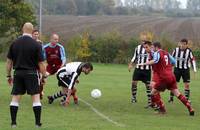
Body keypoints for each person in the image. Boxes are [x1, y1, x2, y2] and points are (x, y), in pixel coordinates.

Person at [6, 22, 47, 128]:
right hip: (32, 74)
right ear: (32, 30)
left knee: (15, 99)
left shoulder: (14, 43)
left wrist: (8, 76)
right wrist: (44, 75)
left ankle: (13, 123)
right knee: (36, 99)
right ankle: (37, 123)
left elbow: (9, 62)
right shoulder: (36, 44)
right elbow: (41, 63)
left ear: (22, 29)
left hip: (18, 73)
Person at [137, 41, 194, 116]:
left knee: (153, 93)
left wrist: (143, 64)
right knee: (177, 93)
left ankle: (162, 109)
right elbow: (174, 62)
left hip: (164, 77)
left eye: (153, 47)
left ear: (156, 47)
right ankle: (190, 108)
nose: (152, 49)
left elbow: (155, 60)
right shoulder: (166, 53)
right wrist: (168, 68)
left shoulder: (157, 53)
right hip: (171, 76)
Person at [168, 39, 197, 103]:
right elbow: (171, 59)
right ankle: (171, 98)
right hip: (177, 69)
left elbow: (192, 60)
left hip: (185, 70)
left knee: (187, 85)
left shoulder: (189, 51)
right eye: (181, 44)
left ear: (186, 45)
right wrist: (169, 67)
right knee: (173, 84)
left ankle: (186, 99)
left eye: (184, 44)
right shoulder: (176, 50)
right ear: (179, 43)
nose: (182, 45)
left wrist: (194, 69)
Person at [128, 35, 152, 108]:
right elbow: (135, 56)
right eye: (142, 40)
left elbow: (154, 58)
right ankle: (134, 98)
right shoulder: (137, 48)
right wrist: (130, 64)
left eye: (144, 40)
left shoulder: (151, 48)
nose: (143, 41)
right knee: (134, 82)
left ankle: (149, 100)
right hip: (138, 68)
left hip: (147, 70)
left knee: (148, 85)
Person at [32, 29, 45, 99]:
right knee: (34, 78)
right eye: (35, 34)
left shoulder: (40, 43)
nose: (36, 35)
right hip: (31, 63)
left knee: (40, 79)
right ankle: (37, 91)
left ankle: (40, 91)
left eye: (37, 34)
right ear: (32, 35)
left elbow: (42, 53)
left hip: (38, 63)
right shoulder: (29, 42)